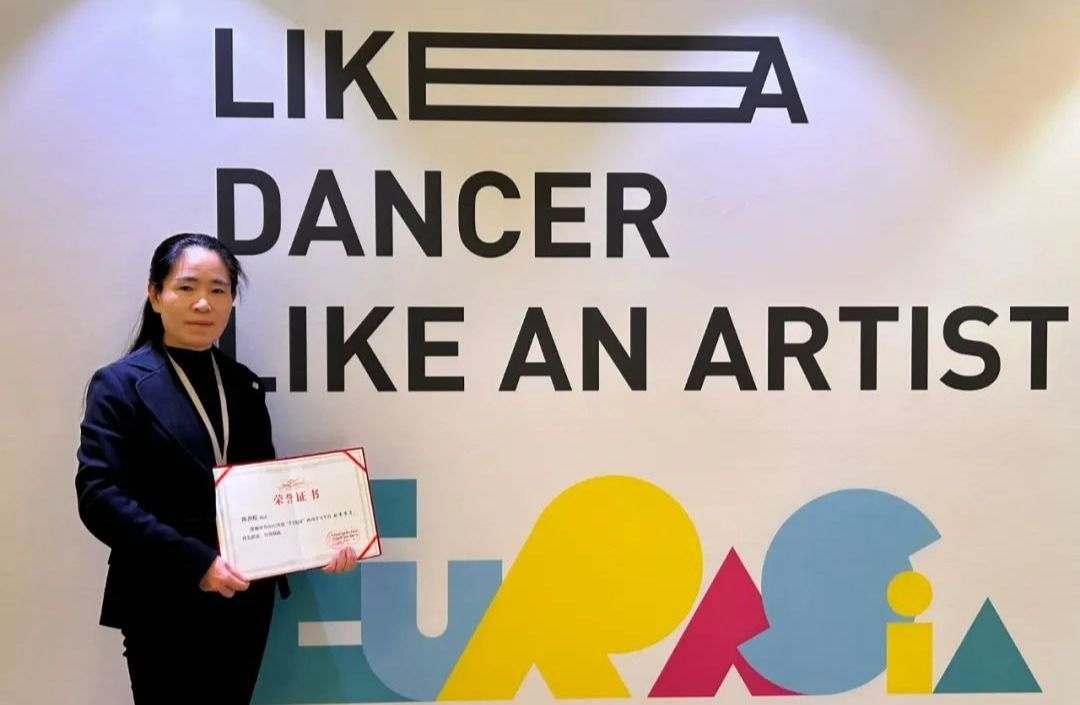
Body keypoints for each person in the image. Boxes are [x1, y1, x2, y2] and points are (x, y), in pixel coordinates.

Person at [76, 233, 358, 704]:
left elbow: (270, 488)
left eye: (218, 289)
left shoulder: (242, 384)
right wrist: (196, 562)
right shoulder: (119, 385)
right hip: (163, 596)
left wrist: (322, 540)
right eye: (186, 287)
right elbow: (98, 497)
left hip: (245, 596)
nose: (203, 303)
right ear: (155, 295)